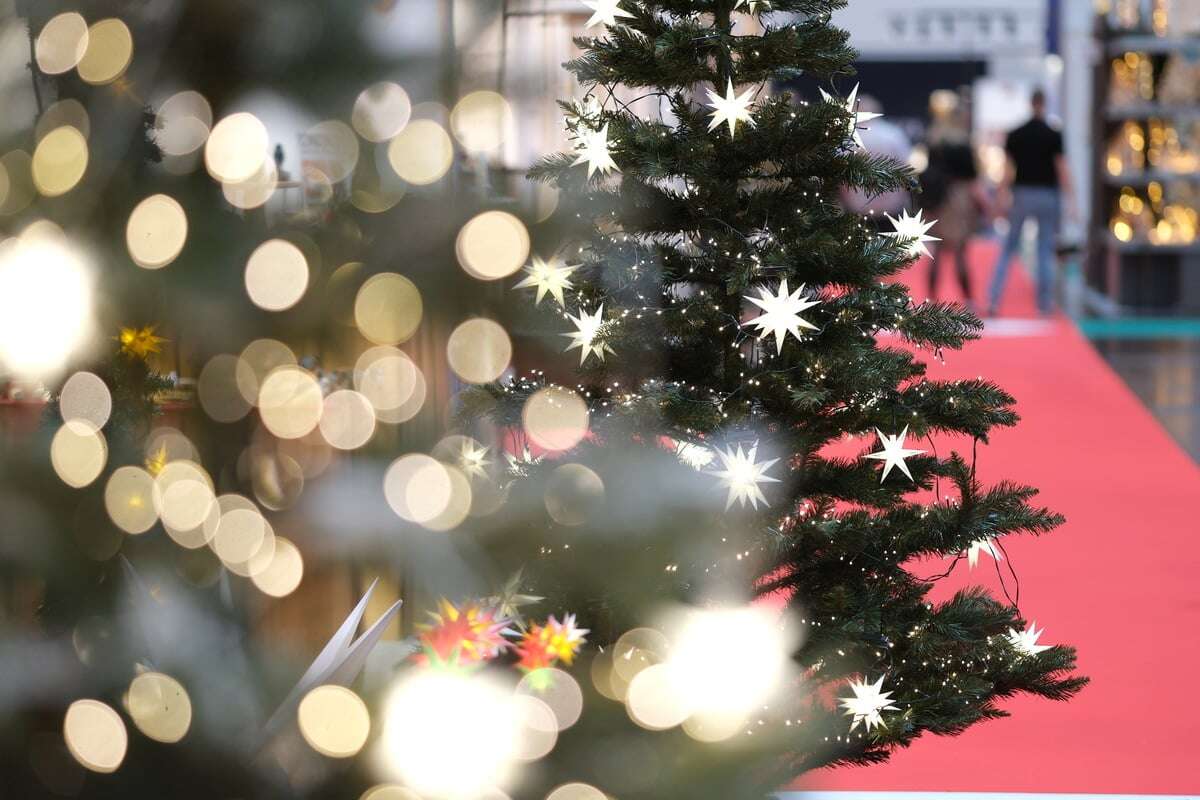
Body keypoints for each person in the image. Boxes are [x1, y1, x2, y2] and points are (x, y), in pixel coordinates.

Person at [987, 89, 1077, 316]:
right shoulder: (1053, 134)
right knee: (1044, 249)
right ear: (1043, 104)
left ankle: (994, 300)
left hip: (1022, 194)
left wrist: (999, 199)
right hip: (1047, 195)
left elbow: (1007, 171)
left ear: (1030, 103)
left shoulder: (1016, 134)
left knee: (1008, 248)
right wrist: (1072, 201)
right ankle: (1044, 305)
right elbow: (1062, 169)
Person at [923, 91, 991, 310]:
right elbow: (973, 180)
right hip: (960, 200)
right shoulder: (963, 145)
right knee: (961, 252)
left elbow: (928, 172)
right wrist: (986, 206)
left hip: (937, 199)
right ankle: (969, 300)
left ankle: (931, 300)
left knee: (936, 252)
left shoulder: (934, 141)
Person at [840, 95, 912, 228]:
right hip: (891, 209)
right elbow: (906, 169)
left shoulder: (846, 138)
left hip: (857, 210)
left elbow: (839, 174)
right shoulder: (894, 134)